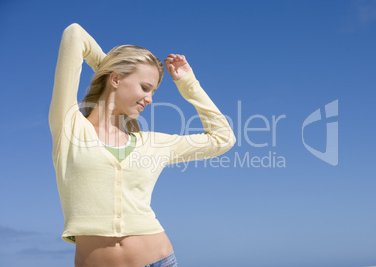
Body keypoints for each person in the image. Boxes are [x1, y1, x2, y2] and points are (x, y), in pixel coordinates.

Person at [49, 23, 236, 267]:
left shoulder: (152, 143)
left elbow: (223, 138)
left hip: (159, 260)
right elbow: (75, 34)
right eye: (145, 88)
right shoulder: (70, 128)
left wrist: (188, 84)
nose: (149, 99)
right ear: (115, 79)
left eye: (153, 91)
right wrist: (109, 69)